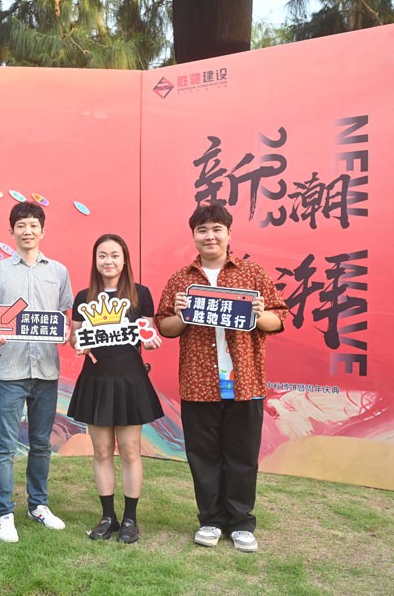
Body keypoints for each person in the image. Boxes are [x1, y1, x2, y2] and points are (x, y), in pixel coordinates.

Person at [155, 202, 286, 553]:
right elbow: (165, 326)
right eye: (202, 230)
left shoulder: (252, 274)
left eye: (216, 229)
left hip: (245, 381)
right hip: (199, 383)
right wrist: (181, 314)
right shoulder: (182, 279)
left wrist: (260, 314)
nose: (209, 236)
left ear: (229, 233)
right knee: (204, 455)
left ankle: (241, 522)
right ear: (193, 236)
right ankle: (211, 520)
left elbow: (278, 319)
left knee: (242, 455)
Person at [0, 202, 74, 543]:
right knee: (4, 445)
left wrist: (69, 333)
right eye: (21, 225)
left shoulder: (59, 272)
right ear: (12, 231)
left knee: (40, 444)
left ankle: (38, 505)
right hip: (10, 370)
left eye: (33, 225)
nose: (27, 231)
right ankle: (4, 513)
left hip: (46, 371)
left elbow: (65, 318)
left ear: (42, 230)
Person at [68, 234, 164, 544]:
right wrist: (77, 343)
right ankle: (108, 516)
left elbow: (148, 330)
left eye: (114, 255)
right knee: (101, 451)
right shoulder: (83, 297)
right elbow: (75, 336)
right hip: (96, 378)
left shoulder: (140, 294)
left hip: (129, 379)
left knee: (131, 450)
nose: (108, 261)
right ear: (95, 260)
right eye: (102, 255)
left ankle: (130, 519)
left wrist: (151, 339)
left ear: (124, 260)